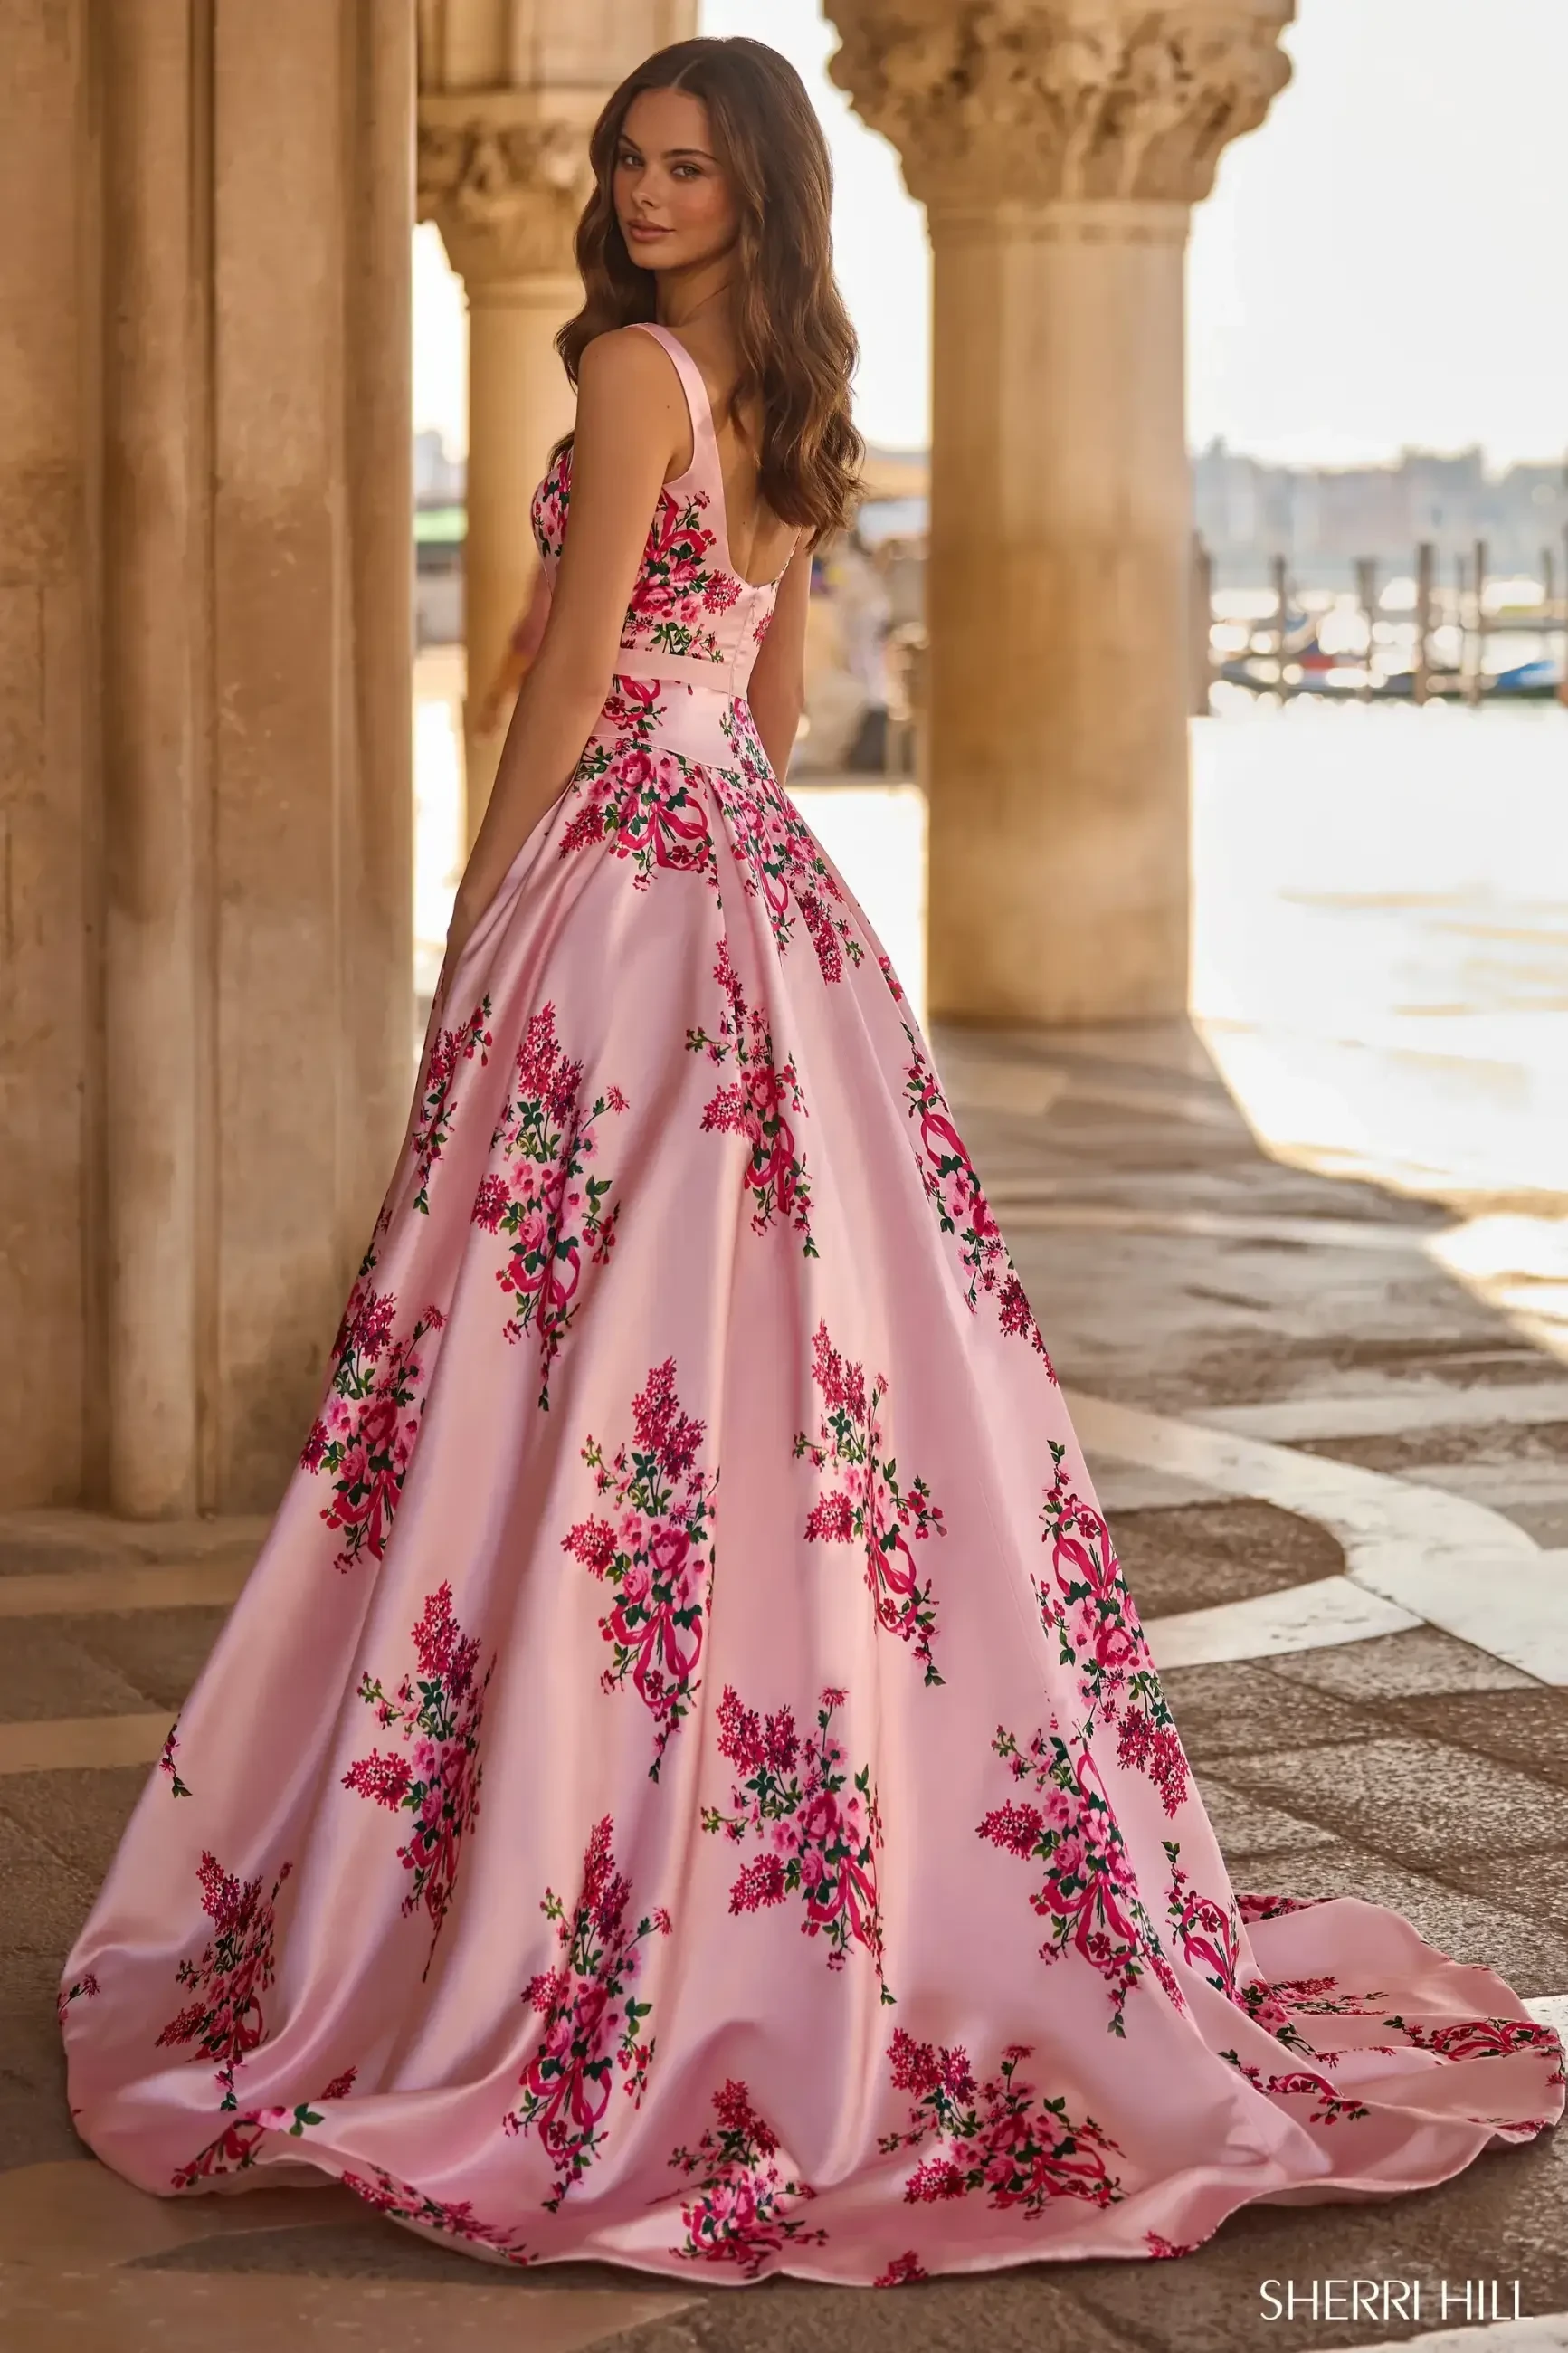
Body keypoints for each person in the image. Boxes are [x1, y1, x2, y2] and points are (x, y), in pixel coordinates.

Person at [61, 36, 1562, 2287]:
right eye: (627, 156)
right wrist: (706, 833)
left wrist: (484, 925)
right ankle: (783, 1837)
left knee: (575, 1358)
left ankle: (577, 1857)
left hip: (623, 894)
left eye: (684, 161)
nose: (645, 188)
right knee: (808, 1375)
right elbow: (754, 702)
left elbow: (561, 682)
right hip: (759, 897)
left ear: (752, 182)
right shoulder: (778, 385)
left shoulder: (632, 373)